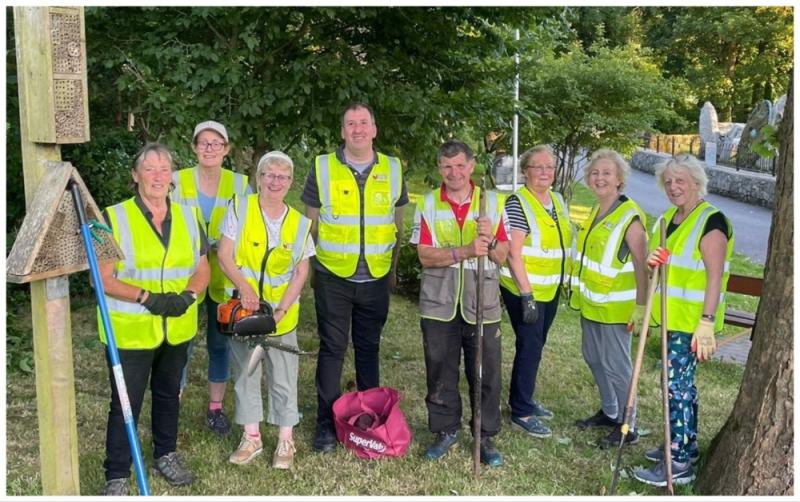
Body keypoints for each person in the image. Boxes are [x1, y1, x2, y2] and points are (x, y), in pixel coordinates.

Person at [98, 143, 210, 495]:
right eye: (149, 168)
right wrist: (147, 298)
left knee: (168, 394)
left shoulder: (190, 217)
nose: (158, 176)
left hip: (176, 326)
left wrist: (189, 295)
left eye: (164, 168)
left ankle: (166, 454)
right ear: (135, 175)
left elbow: (202, 268)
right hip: (130, 331)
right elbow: (102, 278)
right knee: (125, 403)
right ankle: (117, 473)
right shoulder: (113, 218)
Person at [301, 102, 408, 453]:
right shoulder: (322, 167)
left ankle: (368, 419)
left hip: (375, 277)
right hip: (333, 276)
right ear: (342, 131)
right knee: (332, 349)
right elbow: (310, 226)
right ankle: (325, 424)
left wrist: (392, 270)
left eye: (364, 123)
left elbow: (397, 226)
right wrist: (315, 271)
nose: (357, 129)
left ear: (374, 129)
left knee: (369, 348)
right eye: (350, 123)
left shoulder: (393, 168)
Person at [633, 154, 734, 487]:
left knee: (675, 387)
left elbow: (714, 277)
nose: (673, 187)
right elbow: (661, 270)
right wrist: (651, 263)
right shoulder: (668, 219)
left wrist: (706, 322)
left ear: (696, 183)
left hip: (693, 324)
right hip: (671, 319)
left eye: (680, 181)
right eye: (668, 182)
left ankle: (677, 463)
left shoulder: (711, 221)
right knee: (680, 386)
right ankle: (684, 447)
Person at [411, 139, 510, 467]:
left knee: (486, 372)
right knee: (440, 369)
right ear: (439, 169)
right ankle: (445, 430)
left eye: (459, 166)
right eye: (446, 166)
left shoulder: (493, 203)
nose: (453, 173)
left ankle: (484, 436)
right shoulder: (427, 203)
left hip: (482, 302)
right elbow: (425, 255)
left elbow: (502, 256)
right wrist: (465, 250)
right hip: (438, 302)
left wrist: (490, 239)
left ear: (471, 166)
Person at [217, 151, 314, 469]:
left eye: (282, 176)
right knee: (246, 373)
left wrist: (282, 310)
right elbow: (224, 255)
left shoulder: (300, 223)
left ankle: (286, 439)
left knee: (283, 377)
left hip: (282, 317)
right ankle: (252, 437)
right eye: (269, 174)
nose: (275, 181)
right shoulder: (240, 207)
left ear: (290, 182)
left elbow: (301, 272)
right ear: (258, 179)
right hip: (244, 313)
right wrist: (245, 288)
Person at [172, 120, 250, 437]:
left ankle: (215, 408)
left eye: (216, 143)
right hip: (186, 276)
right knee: (181, 342)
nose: (210, 148)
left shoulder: (240, 184)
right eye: (203, 142)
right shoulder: (176, 181)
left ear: (226, 149)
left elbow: (247, 227)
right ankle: (172, 402)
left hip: (224, 278)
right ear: (194, 147)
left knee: (220, 343)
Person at [568, 149, 648, 448]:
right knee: (593, 358)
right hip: (592, 303)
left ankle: (628, 425)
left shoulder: (629, 217)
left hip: (617, 308)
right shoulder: (597, 209)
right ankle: (610, 411)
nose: (599, 178)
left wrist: (641, 307)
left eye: (606, 173)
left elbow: (642, 265)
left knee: (617, 367)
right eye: (594, 173)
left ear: (619, 179)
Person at [498, 145, 574, 439]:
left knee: (536, 345)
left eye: (549, 167)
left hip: (549, 289)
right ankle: (521, 412)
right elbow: (513, 254)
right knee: (529, 347)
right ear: (525, 172)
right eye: (537, 167)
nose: (544, 172)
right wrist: (526, 295)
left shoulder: (557, 199)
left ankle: (524, 397)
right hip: (524, 290)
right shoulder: (518, 203)